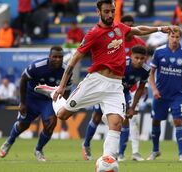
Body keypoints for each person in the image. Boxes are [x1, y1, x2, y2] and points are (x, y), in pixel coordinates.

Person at [36, 0, 172, 166]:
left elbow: (138, 30)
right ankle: (53, 92)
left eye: (112, 11)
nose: (109, 15)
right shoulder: (93, 33)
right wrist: (62, 86)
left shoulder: (119, 28)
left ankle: (107, 161)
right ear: (98, 12)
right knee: (62, 115)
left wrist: (159, 29)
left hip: (115, 86)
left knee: (116, 123)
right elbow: (73, 60)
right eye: (106, 11)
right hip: (95, 82)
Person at [0, 46, 72, 161]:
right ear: (49, 57)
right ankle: (10, 141)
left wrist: (62, 105)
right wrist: (22, 103)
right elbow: (23, 80)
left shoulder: (66, 71)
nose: (58, 59)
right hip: (31, 98)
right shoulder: (37, 66)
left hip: (49, 100)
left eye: (60, 57)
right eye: (55, 57)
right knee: (24, 125)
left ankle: (38, 150)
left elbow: (67, 90)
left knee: (51, 124)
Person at [82, 45, 149, 161]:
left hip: (124, 93)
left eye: (142, 59)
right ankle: (86, 144)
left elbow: (140, 88)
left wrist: (132, 107)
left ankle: (120, 153)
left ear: (145, 58)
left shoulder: (146, 70)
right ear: (131, 56)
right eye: (136, 58)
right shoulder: (122, 64)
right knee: (97, 117)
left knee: (125, 119)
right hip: (107, 90)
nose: (139, 61)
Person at [148, 26, 182, 161]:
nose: (174, 39)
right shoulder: (159, 52)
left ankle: (181, 154)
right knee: (156, 121)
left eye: (177, 37)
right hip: (160, 94)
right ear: (168, 36)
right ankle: (155, 150)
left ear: (180, 37)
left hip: (177, 95)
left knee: (178, 120)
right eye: (172, 36)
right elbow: (151, 73)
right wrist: (154, 89)